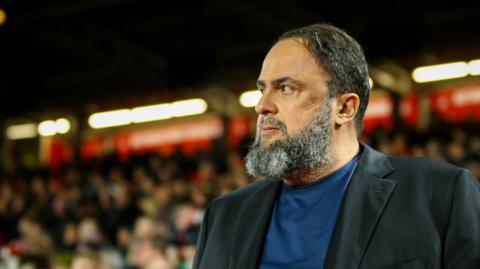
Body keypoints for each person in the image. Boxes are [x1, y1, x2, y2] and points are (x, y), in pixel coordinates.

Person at [192, 23, 480, 269]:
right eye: (262, 89)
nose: (262, 105)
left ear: (344, 107)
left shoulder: (440, 193)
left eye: (286, 88)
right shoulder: (224, 215)